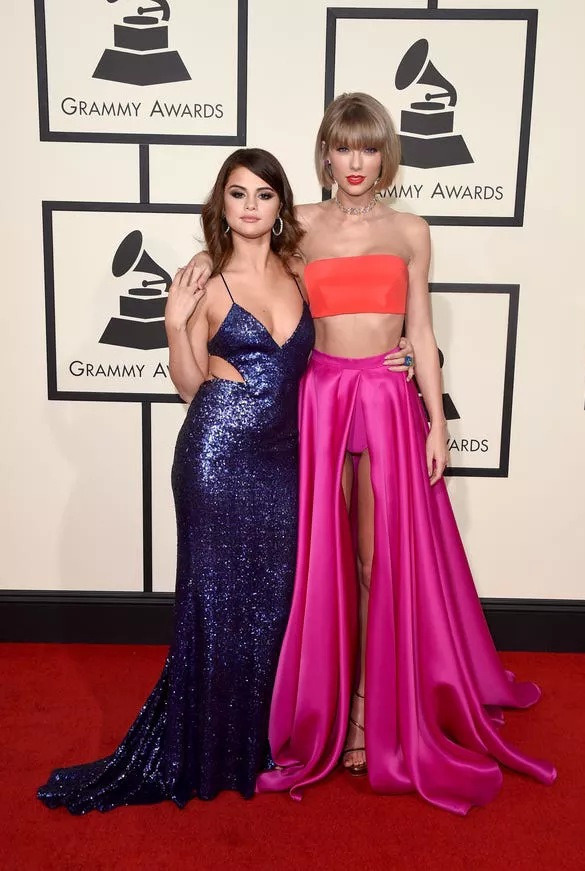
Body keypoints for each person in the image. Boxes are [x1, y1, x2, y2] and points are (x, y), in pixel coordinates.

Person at [250, 93, 557, 815]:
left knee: (372, 559)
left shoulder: (412, 229)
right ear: (325, 152)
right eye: (342, 147)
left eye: (368, 148)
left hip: (388, 405)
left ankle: (366, 709)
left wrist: (435, 419)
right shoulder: (296, 227)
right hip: (321, 399)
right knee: (321, 559)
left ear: (385, 155)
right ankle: (327, 705)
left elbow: (418, 326)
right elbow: (265, 294)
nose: (355, 162)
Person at [37, 148, 316, 813]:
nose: (250, 206)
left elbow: (327, 362)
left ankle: (253, 744)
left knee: (271, 604)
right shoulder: (205, 280)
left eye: (264, 195)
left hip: (284, 460)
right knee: (213, 604)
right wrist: (172, 323)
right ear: (222, 204)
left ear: (281, 206)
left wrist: (396, 357)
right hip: (216, 457)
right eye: (238, 194)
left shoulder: (301, 274)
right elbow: (192, 384)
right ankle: (203, 746)